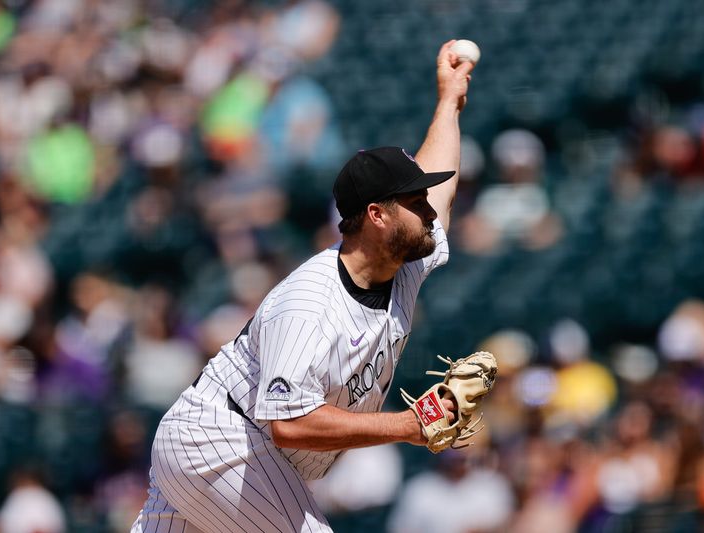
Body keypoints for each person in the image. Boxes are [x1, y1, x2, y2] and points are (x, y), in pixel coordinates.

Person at [131, 40, 475, 533]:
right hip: (223, 442)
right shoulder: (311, 303)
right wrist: (408, 424)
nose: (428, 212)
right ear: (376, 216)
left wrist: (448, 101)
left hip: (241, 452)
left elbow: (441, 192)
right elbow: (290, 425)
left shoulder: (403, 264)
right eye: (412, 202)